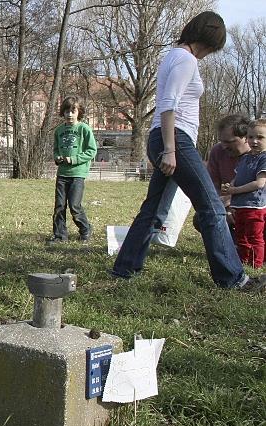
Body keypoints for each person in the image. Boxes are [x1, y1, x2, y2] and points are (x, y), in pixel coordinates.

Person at [110, 11, 266, 291]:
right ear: (210, 39)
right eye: (213, 47)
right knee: (212, 208)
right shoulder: (185, 59)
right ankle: (233, 279)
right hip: (175, 140)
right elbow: (169, 103)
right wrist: (171, 149)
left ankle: (125, 268)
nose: (209, 53)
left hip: (167, 139)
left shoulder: (173, 56)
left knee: (154, 209)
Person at [48, 96, 97, 244]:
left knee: (75, 206)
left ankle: (86, 228)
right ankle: (60, 235)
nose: (69, 114)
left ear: (79, 112)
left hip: (77, 174)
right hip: (62, 174)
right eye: (66, 111)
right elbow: (56, 149)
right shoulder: (59, 131)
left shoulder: (84, 129)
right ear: (63, 113)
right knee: (59, 206)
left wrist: (74, 159)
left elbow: (92, 150)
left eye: (73, 111)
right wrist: (57, 157)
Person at [195, 114, 252, 235]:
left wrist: (236, 206)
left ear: (246, 138)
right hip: (226, 205)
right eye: (221, 141)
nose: (224, 146)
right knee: (202, 217)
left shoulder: (259, 156)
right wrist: (224, 209)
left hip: (253, 206)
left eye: (229, 142)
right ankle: (227, 247)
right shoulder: (217, 151)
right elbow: (212, 187)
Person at [220, 120, 266, 268]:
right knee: (241, 236)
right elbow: (237, 177)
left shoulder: (264, 158)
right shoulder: (246, 157)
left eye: (260, 137)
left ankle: (256, 263)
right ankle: (243, 261)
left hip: (255, 207)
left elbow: (259, 183)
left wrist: (235, 190)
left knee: (255, 237)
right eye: (251, 137)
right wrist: (230, 186)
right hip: (239, 205)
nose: (254, 141)